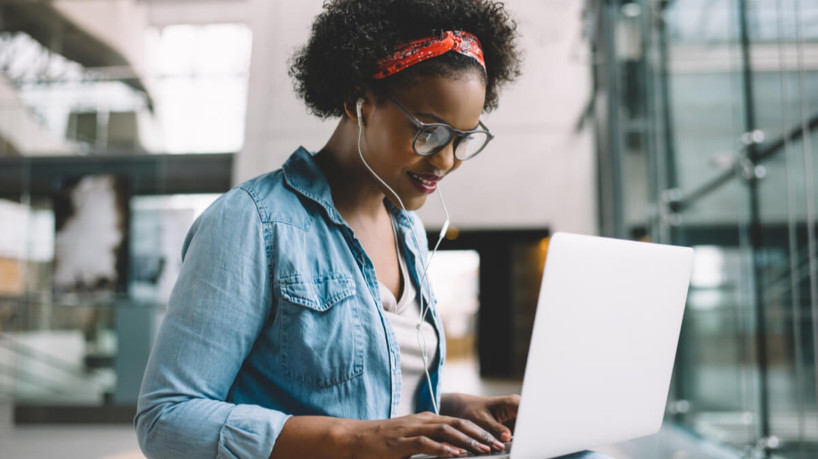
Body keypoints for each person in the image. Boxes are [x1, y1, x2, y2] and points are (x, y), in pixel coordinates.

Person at [135, 1, 608, 458]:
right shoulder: (250, 224)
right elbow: (166, 419)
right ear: (359, 102)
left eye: (462, 140)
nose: (445, 161)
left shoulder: (408, 233)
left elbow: (377, 401)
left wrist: (458, 410)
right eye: (429, 131)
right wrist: (353, 442)